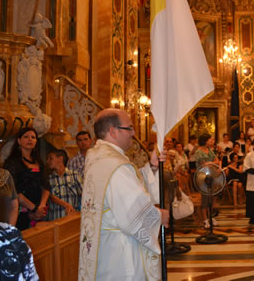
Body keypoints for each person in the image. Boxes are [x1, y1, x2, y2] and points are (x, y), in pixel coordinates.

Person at [78, 108, 169, 281]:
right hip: (121, 254)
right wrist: (159, 216)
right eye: (129, 128)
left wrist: (152, 167)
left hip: (106, 248)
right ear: (113, 131)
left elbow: (125, 188)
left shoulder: (98, 156)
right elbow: (132, 211)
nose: (133, 133)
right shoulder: (114, 164)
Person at [4, 128, 50, 230]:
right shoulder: (12, 163)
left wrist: (41, 206)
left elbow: (46, 185)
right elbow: (14, 191)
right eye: (26, 137)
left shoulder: (39, 161)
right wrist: (33, 208)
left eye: (33, 137)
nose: (30, 139)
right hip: (19, 212)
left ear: (36, 141)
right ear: (19, 141)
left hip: (40, 211)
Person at [46, 149, 83, 221]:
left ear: (60, 158)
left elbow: (83, 195)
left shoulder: (75, 175)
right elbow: (50, 196)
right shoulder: (48, 178)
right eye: (47, 159)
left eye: (51, 158)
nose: (48, 161)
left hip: (72, 218)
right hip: (54, 219)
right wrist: (66, 205)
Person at [194, 133, 220, 228]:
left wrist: (211, 163)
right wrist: (211, 164)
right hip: (203, 177)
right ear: (205, 140)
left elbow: (217, 161)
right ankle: (205, 220)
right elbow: (204, 165)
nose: (212, 141)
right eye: (210, 140)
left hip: (211, 176)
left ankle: (210, 217)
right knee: (205, 199)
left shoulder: (209, 150)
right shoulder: (198, 152)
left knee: (211, 198)